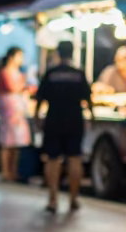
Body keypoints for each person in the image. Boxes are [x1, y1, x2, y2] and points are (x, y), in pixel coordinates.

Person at [35, 41, 93, 213]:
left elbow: (40, 98)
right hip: (75, 118)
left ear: (58, 53)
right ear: (73, 53)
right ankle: (74, 198)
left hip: (54, 118)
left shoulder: (51, 74)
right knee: (74, 158)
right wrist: (91, 116)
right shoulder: (79, 74)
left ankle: (53, 199)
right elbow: (88, 99)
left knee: (53, 159)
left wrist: (38, 118)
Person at [0, 47, 32, 182]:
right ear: (11, 57)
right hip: (9, 110)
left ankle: (13, 171)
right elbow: (12, 88)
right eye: (19, 56)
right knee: (7, 141)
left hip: (18, 109)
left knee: (16, 143)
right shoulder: (4, 72)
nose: (21, 60)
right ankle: (5, 172)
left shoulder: (19, 73)